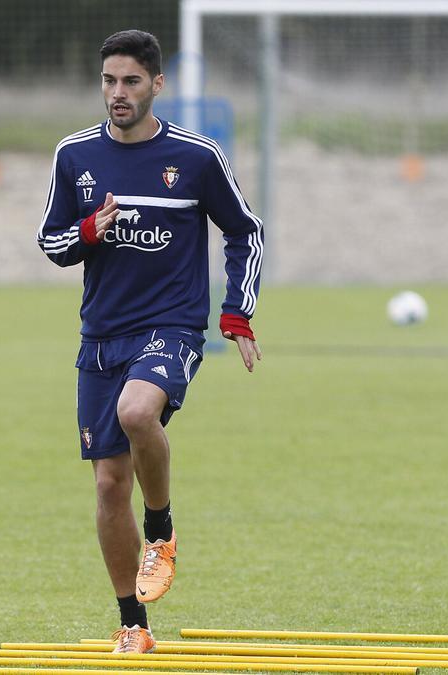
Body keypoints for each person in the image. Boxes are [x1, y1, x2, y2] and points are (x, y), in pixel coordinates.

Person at [37, 29, 263, 651]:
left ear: (156, 85)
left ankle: (160, 531)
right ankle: (132, 626)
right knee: (109, 485)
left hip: (171, 326)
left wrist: (236, 314)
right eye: (109, 80)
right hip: (101, 334)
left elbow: (245, 230)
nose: (117, 93)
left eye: (131, 81)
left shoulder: (196, 157)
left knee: (138, 411)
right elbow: (51, 244)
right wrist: (89, 229)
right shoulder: (74, 156)